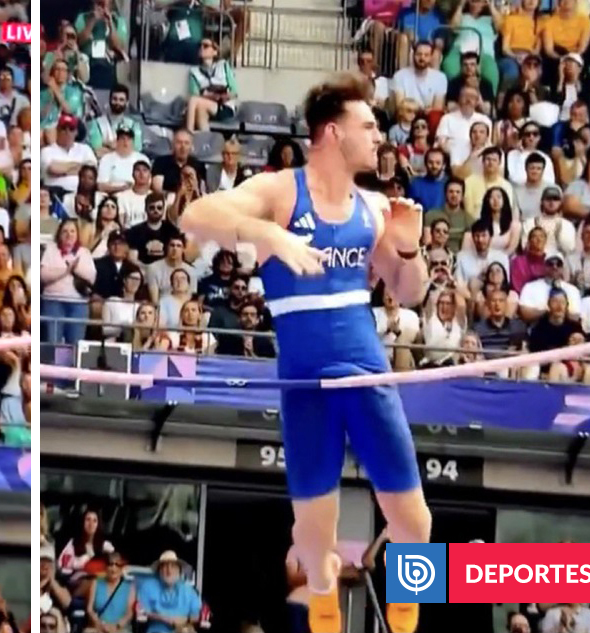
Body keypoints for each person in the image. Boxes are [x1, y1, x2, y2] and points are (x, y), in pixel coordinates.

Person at [177, 73, 431, 633]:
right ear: (333, 132)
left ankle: (408, 617)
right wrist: (266, 235)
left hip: (365, 375)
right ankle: (321, 596)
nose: (379, 137)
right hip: (305, 383)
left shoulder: (374, 206)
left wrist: (410, 247)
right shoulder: (282, 192)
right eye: (369, 126)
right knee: (314, 536)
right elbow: (193, 216)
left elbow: (410, 291)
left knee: (416, 523)